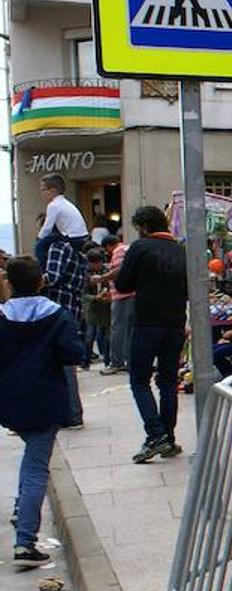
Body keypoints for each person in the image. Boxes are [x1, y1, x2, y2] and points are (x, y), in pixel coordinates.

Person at [0, 255, 84, 567]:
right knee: (36, 467)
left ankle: (22, 510)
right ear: (42, 281)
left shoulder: (2, 316)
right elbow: (73, 353)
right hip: (45, 399)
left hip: (9, 400)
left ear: (9, 283)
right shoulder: (57, 315)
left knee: (30, 461)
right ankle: (24, 541)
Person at [116, 206, 188, 464]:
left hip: (147, 322)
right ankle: (168, 436)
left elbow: (122, 284)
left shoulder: (140, 247)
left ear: (144, 227)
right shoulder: (181, 251)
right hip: (176, 323)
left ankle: (156, 435)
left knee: (139, 380)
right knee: (168, 381)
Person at [39, 176, 89, 428]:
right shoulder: (78, 253)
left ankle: (69, 413)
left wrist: (35, 279)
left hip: (60, 309)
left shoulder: (58, 247)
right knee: (66, 360)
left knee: (63, 363)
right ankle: (71, 413)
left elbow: (53, 277)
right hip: (73, 308)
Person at [96, 228, 132, 374]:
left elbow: (119, 271)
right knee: (129, 330)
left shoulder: (119, 251)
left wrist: (101, 278)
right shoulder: (129, 248)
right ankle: (129, 360)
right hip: (132, 294)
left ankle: (116, 362)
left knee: (117, 329)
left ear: (109, 246)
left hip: (123, 296)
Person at [34, 174, 88, 269]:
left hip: (72, 238)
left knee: (40, 246)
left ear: (53, 191)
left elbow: (47, 228)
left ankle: (42, 271)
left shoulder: (53, 205)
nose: (41, 193)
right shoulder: (66, 203)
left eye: (43, 189)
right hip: (82, 236)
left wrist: (38, 239)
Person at [81, 246, 111, 369]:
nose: (97, 266)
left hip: (105, 306)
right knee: (89, 335)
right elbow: (83, 293)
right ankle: (85, 361)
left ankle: (107, 360)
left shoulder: (106, 271)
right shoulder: (85, 274)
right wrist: (95, 298)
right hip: (92, 308)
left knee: (106, 336)